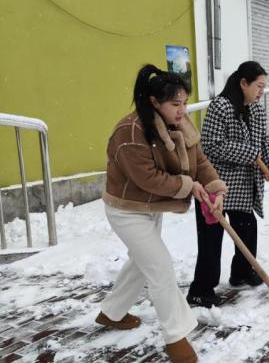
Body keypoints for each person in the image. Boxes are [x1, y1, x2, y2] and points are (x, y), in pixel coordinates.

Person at [97, 64, 227, 363]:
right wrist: (188, 185)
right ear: (155, 103)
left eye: (184, 103)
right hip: (126, 210)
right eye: (175, 104)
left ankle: (111, 313)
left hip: (151, 206)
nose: (182, 111)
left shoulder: (179, 124)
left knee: (143, 263)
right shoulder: (129, 132)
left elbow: (200, 159)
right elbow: (148, 178)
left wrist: (213, 187)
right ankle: (176, 338)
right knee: (160, 268)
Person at [187, 61, 269, 308]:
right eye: (258, 86)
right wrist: (249, 153)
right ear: (243, 83)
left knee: (247, 229)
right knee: (211, 239)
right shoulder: (222, 107)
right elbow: (211, 145)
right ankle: (201, 290)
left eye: (264, 87)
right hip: (214, 185)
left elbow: (264, 142)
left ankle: (241, 273)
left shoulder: (257, 111)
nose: (261, 91)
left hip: (244, 186)